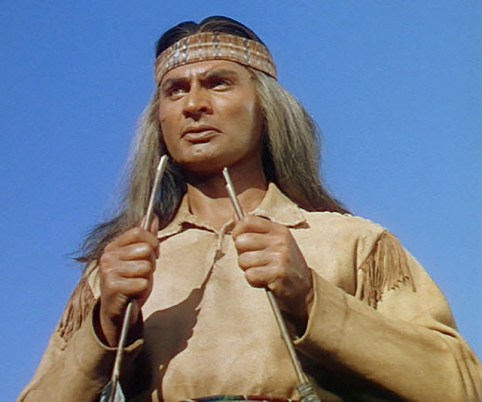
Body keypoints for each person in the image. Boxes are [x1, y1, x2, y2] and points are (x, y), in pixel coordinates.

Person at [19, 16, 481, 402]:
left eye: (218, 83)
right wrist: (103, 327)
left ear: (266, 107)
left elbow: (463, 387)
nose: (194, 104)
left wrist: (311, 298)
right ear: (159, 119)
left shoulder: (352, 243)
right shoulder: (122, 267)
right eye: (175, 91)